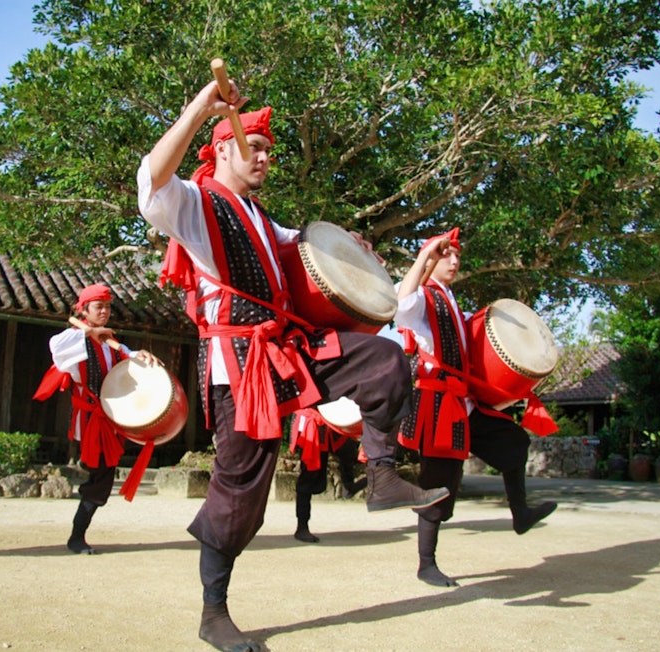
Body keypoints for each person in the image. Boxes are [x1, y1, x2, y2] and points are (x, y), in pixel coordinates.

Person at [136, 78, 449, 652]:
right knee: (242, 488)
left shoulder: (260, 218)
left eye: (269, 151)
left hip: (288, 351)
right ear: (222, 148)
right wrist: (198, 109)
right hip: (241, 366)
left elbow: (308, 247)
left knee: (384, 359)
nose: (264, 158)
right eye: (252, 147)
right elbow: (150, 182)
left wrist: (349, 250)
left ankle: (381, 476)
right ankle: (214, 614)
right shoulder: (197, 206)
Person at [396, 227, 558, 587]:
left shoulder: (451, 301)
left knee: (514, 443)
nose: (454, 261)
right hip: (437, 405)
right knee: (439, 483)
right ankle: (426, 564)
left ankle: (521, 514)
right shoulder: (424, 298)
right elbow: (401, 306)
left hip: (463, 401)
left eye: (457, 256)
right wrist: (424, 257)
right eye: (447, 255)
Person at [32, 284, 160, 555]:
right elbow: (55, 346)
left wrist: (141, 355)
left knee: (102, 476)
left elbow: (129, 355)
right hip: (89, 420)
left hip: (108, 421)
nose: (104, 311)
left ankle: (79, 529)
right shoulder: (74, 338)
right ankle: (76, 537)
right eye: (98, 307)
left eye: (107, 306)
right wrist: (89, 332)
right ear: (84, 310)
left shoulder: (111, 344)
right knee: (100, 479)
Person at [289, 407, 366, 543]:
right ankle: (302, 527)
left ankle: (349, 485)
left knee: (348, 447)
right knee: (309, 475)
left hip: (327, 417)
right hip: (309, 420)